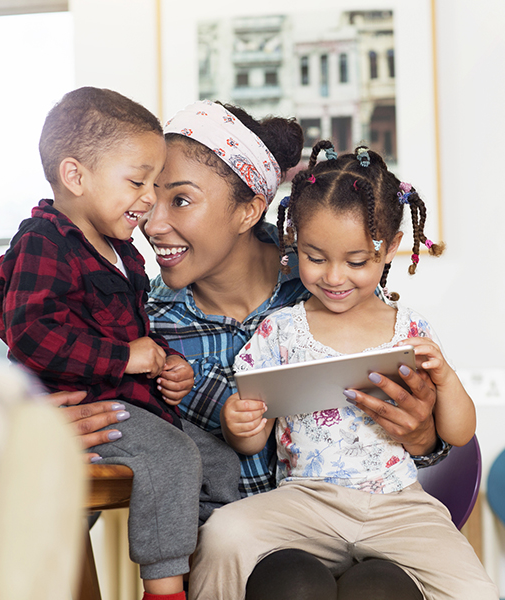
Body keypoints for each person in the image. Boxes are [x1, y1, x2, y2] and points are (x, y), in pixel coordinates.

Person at [142, 101, 452, 599]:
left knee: (380, 588)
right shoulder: (144, 328)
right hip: (246, 562)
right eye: (146, 196)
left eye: (179, 200)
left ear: (249, 209)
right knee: (293, 585)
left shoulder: (333, 287)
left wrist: (424, 432)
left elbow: (418, 436)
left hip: (372, 537)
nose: (151, 223)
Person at [191, 140, 498, 600]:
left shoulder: (409, 328)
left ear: (391, 247)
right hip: (306, 501)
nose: (334, 277)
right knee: (223, 535)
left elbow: (457, 433)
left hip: (399, 504)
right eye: (315, 258)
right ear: (293, 241)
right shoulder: (281, 332)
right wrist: (240, 423)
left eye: (356, 262)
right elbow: (252, 437)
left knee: (476, 591)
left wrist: (448, 380)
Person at [0, 87, 240, 600]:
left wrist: (165, 365)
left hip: (132, 406)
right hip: (82, 409)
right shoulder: (44, 241)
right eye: (138, 181)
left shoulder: (124, 254)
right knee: (171, 458)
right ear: (76, 176)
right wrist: (125, 358)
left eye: (155, 183)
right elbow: (31, 332)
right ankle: (164, 590)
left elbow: (132, 332)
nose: (149, 199)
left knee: (220, 463)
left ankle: (205, 571)